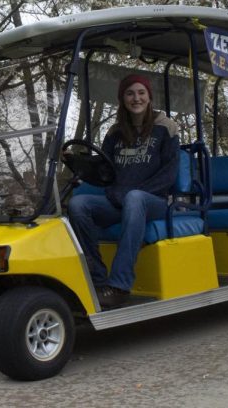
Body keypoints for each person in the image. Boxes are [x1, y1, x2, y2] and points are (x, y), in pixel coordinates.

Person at [67, 74, 179, 309]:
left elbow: (169, 174)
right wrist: (79, 165)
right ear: (122, 99)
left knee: (134, 197)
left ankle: (119, 285)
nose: (135, 98)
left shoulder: (165, 127)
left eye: (141, 93)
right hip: (121, 202)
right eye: (130, 93)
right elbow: (105, 171)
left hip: (154, 201)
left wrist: (130, 192)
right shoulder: (115, 132)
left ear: (149, 97)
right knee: (78, 205)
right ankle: (98, 280)